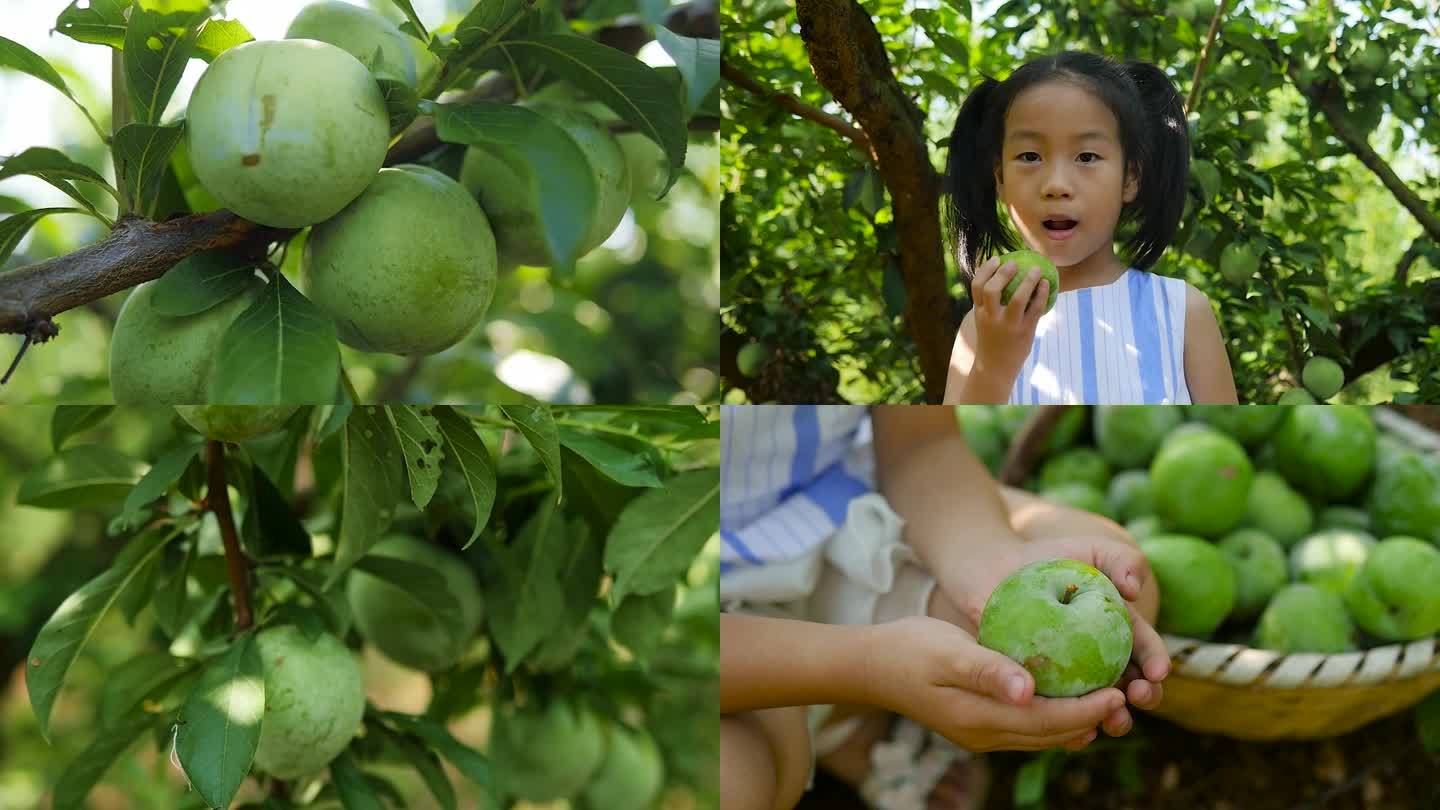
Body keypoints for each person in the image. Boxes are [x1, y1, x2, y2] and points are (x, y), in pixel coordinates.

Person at [720, 405, 1169, 810]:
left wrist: (990, 557)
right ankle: (843, 725)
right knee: (729, 785)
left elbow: (922, 443)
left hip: (843, 507)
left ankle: (842, 716)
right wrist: (871, 667)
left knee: (1129, 594)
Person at [939, 51, 1238, 405]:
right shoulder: (983, 325)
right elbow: (957, 455)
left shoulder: (1181, 311)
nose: (1056, 184)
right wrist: (994, 366)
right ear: (1000, 178)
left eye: (1087, 157)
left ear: (1130, 178)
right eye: (1030, 156)